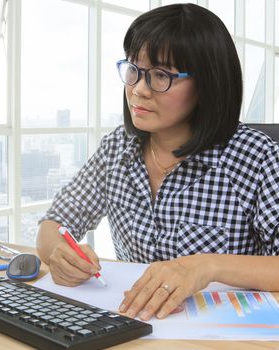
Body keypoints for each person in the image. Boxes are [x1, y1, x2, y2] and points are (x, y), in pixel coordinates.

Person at [37, 3, 279, 321]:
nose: (138, 90)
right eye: (134, 71)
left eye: (161, 76)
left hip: (222, 335)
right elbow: (53, 225)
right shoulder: (115, 150)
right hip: (132, 325)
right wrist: (59, 252)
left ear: (208, 85)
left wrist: (208, 265)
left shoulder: (258, 159)